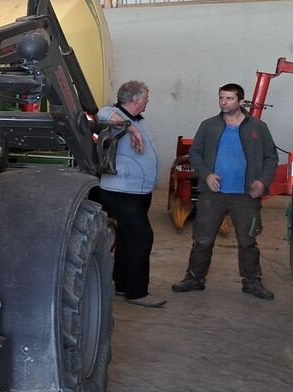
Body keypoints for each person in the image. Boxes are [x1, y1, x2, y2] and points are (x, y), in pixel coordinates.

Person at [172, 83, 278, 300]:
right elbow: (195, 153)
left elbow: (271, 158)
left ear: (240, 101)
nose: (224, 102)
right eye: (221, 98)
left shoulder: (258, 127)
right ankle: (194, 278)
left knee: (248, 240)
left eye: (229, 99)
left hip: (245, 195)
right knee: (202, 239)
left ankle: (252, 282)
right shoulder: (208, 126)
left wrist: (262, 182)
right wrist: (207, 175)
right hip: (213, 194)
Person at [95, 81, 165, 307]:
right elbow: (101, 116)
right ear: (134, 100)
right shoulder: (114, 114)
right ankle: (138, 293)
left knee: (127, 238)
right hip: (121, 193)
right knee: (142, 238)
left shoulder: (138, 119)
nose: (147, 101)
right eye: (145, 97)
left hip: (137, 192)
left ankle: (122, 284)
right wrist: (131, 128)